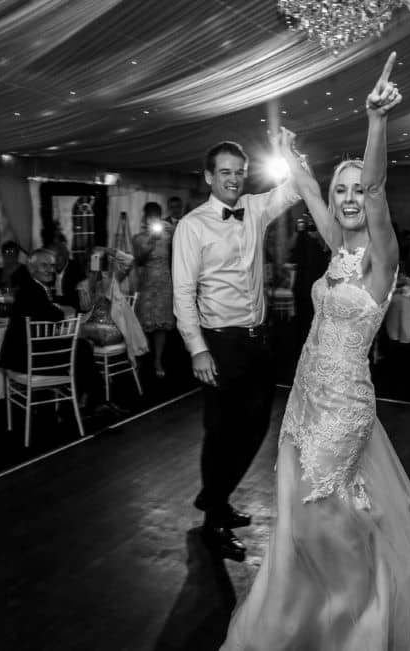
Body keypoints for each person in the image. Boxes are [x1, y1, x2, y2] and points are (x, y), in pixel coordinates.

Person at [220, 53, 410, 650]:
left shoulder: (383, 262)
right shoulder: (335, 247)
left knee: (331, 519)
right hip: (303, 399)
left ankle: (353, 621)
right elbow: (304, 187)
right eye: (342, 190)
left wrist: (376, 122)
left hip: (343, 407)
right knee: (303, 519)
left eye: (358, 191)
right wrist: (293, 155)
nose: (351, 198)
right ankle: (313, 614)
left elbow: (377, 186)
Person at [172, 136, 303, 560]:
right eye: (224, 172)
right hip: (219, 344)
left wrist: (290, 151)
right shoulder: (192, 226)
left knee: (257, 427)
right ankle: (215, 518)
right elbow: (182, 293)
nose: (232, 179)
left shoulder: (256, 209)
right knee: (221, 434)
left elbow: (298, 187)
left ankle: (216, 496)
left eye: (239, 171)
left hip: (258, 341)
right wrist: (197, 349)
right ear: (209, 177)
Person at [0, 248, 106, 414]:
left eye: (52, 265)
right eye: (44, 265)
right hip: (26, 358)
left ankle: (84, 398)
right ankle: (89, 400)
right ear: (31, 268)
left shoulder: (33, 287)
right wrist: (59, 309)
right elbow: (54, 315)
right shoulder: (32, 290)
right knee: (81, 348)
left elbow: (47, 311)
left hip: (26, 352)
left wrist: (55, 307)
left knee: (80, 348)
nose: (50, 269)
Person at [133, 202, 176, 378]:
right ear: (145, 218)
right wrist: (150, 239)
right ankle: (142, 358)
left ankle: (158, 360)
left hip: (165, 282)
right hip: (147, 283)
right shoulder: (138, 238)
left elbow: (185, 239)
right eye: (149, 217)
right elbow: (140, 259)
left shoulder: (167, 235)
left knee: (161, 325)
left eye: (155, 217)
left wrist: (171, 228)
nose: (152, 221)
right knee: (144, 323)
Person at [288, 213, 331, 346]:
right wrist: (298, 233)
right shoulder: (302, 236)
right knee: (303, 319)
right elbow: (293, 255)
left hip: (316, 283)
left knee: (315, 318)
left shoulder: (324, 235)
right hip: (303, 284)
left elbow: (329, 254)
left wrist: (319, 236)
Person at [48, 236, 85, 310]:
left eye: (59, 256)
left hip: (72, 307)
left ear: (65, 255)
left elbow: (78, 298)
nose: (56, 261)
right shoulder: (49, 269)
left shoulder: (75, 269)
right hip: (55, 306)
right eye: (52, 258)